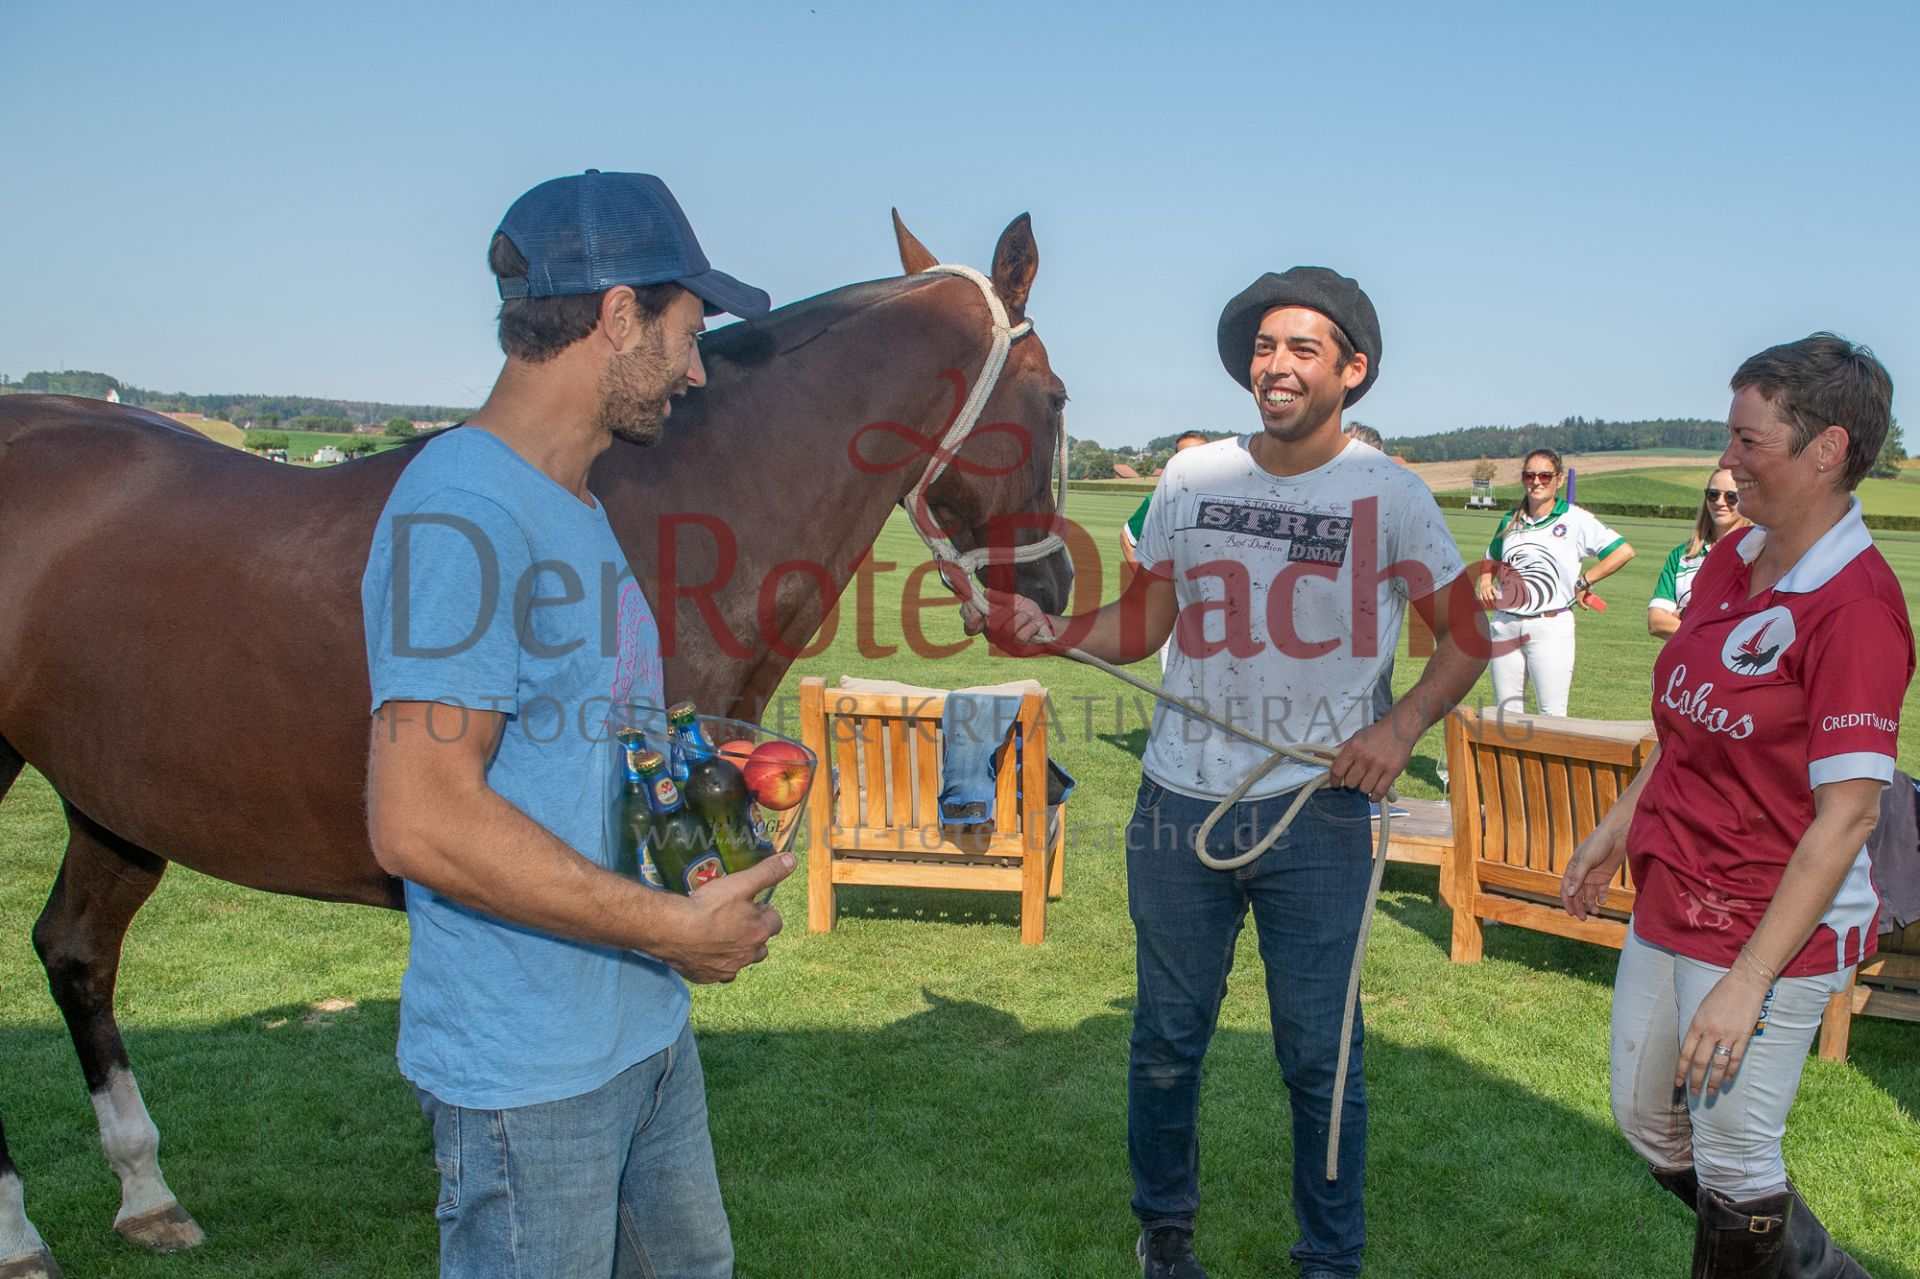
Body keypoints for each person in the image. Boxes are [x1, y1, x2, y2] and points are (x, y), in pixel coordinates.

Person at [966, 267, 1486, 1279]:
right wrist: (1047, 627)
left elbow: (1467, 631)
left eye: (1302, 348)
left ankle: (1329, 1258)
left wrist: (1401, 727)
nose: (1276, 365)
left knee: (1320, 1053)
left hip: (1320, 812)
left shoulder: (1391, 494)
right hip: (1178, 805)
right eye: (1264, 347)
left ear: (1353, 370)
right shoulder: (1192, 478)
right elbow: (1143, 621)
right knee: (1166, 1038)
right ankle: (1164, 1235)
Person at [360, 170, 789, 1279]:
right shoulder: (462, 509)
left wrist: (694, 768)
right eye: (688, 334)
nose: (696, 371)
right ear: (618, 315)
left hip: (639, 1030)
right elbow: (420, 820)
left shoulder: (575, 502)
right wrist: (673, 930)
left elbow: (571, 738)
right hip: (532, 1074)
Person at [1561, 333, 1909, 1277]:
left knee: (1736, 1160)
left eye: (1748, 441)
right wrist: (1615, 827)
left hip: (1768, 920)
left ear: (1827, 450)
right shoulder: (1731, 556)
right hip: (1674, 887)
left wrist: (1751, 978)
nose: (1726, 461)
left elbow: (1848, 815)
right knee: (1648, 1121)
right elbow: (1690, 726)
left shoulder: (1857, 607)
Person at [1474, 448, 1634, 716]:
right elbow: (1491, 559)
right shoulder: (1511, 519)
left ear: (1559, 479)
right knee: (1507, 715)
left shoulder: (1576, 519)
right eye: (1530, 475)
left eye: (1545, 476)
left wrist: (1584, 582)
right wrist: (1486, 581)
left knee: (1552, 716)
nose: (1536, 482)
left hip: (1549, 626)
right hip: (1505, 625)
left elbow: (1623, 551)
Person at [1119, 430, 1210, 671]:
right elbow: (1128, 538)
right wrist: (1149, 582)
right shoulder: (1158, 499)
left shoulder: (1228, 500)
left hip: (1215, 607)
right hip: (1174, 608)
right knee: (1172, 677)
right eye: (1184, 456)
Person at [1647, 466, 1751, 640]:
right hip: (1684, 657)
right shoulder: (1682, 555)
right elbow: (1656, 622)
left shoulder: (1758, 553)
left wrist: (1685, 616)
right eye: (1713, 494)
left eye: (1731, 496)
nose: (1720, 502)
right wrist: (1709, 631)